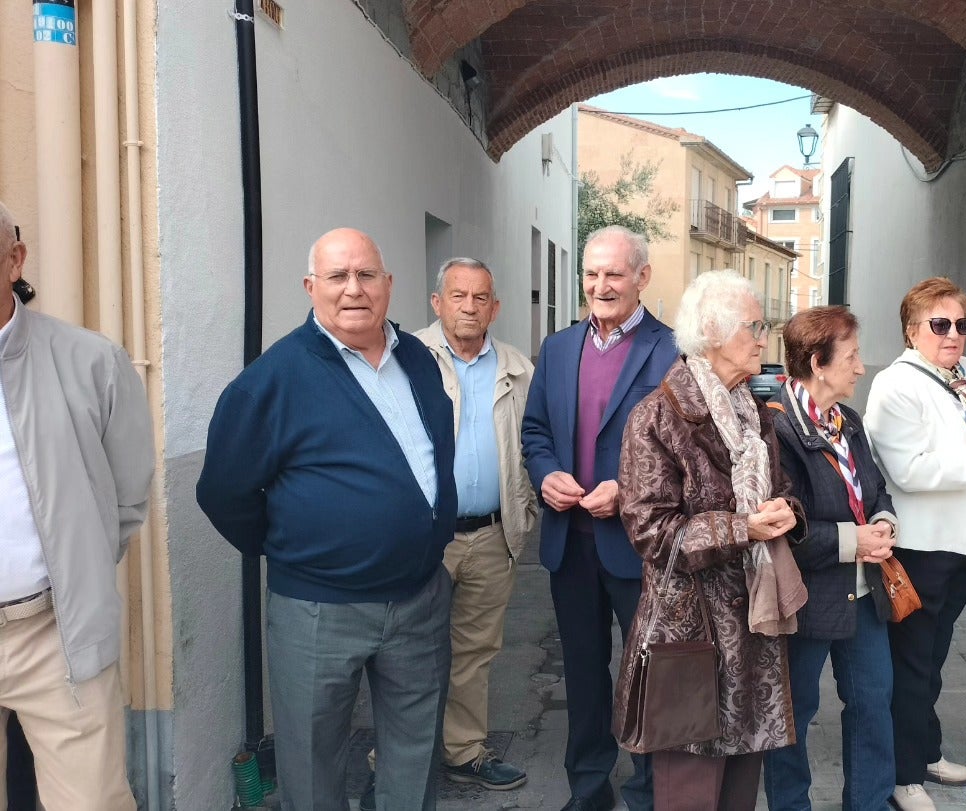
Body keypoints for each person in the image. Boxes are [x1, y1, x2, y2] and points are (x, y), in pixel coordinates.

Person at [197, 228, 457, 811]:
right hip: (318, 611)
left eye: (366, 275)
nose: (353, 290)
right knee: (312, 767)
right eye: (337, 276)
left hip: (419, 599)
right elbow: (222, 492)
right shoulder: (273, 379)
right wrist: (300, 551)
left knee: (415, 757)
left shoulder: (416, 358)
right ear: (311, 287)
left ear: (389, 285)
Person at [616, 268, 806, 811]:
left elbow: (786, 493)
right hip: (689, 635)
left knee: (741, 791)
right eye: (754, 325)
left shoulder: (754, 414)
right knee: (689, 793)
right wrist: (742, 527)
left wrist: (784, 512)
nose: (763, 337)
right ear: (716, 333)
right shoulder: (656, 416)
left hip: (753, 631)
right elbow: (652, 534)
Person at [359, 257, 535, 809]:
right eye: (457, 295)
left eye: (480, 297)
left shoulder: (515, 366)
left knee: (475, 652)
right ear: (437, 302)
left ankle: (463, 750)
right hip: (424, 536)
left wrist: (523, 513)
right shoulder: (403, 357)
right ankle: (391, 764)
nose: (469, 305)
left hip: (490, 535)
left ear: (495, 307)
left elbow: (532, 442)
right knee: (406, 653)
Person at [0, 199, 153, 810]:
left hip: (51, 632)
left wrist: (77, 568)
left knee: (91, 802)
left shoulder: (91, 361)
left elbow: (124, 492)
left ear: (15, 259)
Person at [521, 225, 676, 810]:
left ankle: (648, 792)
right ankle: (588, 792)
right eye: (591, 273)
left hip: (638, 546)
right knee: (583, 678)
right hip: (571, 545)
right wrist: (545, 474)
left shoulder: (671, 350)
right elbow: (535, 431)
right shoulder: (558, 348)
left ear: (642, 277)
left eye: (614, 273)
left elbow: (686, 451)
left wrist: (630, 490)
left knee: (647, 676)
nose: (601, 285)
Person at [864, 277, 966, 811]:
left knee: (932, 659)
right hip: (921, 546)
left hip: (961, 544)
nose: (953, 333)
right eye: (940, 324)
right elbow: (906, 471)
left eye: (963, 324)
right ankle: (903, 773)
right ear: (913, 331)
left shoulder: (964, 373)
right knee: (910, 662)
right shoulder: (897, 384)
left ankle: (925, 749)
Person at [761, 306, 900, 811]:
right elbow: (786, 527)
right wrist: (854, 541)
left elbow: (877, 489)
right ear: (818, 362)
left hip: (864, 593)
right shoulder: (776, 430)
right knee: (793, 714)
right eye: (853, 357)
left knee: (872, 702)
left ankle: (870, 802)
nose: (861, 368)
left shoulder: (848, 421)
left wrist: (884, 523)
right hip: (806, 600)